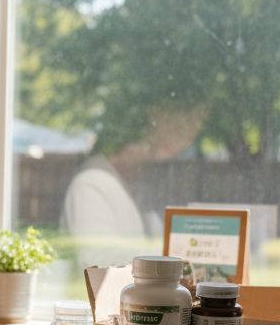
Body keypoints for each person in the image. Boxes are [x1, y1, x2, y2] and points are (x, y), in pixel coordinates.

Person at [61, 105, 205, 268]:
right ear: (126, 144)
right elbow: (96, 257)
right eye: (150, 146)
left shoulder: (133, 185)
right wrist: (176, 253)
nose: (157, 156)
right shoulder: (90, 184)